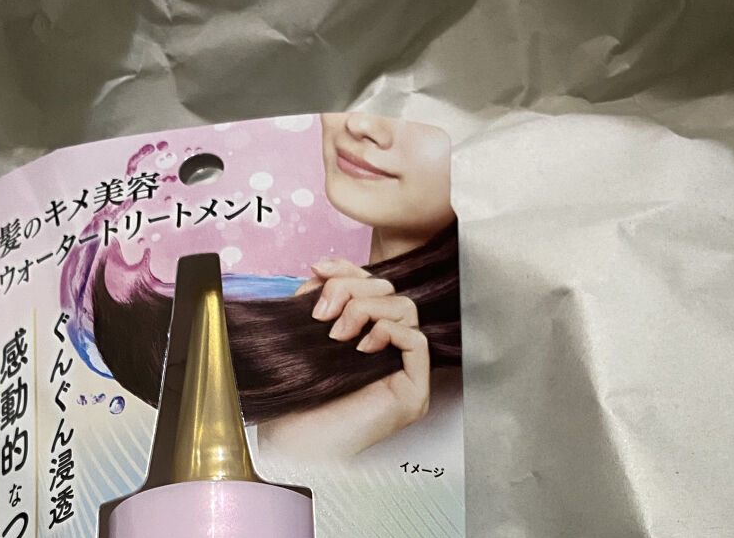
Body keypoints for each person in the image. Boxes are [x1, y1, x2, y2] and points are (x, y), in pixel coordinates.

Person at [90, 112, 461, 464]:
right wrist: (294, 449)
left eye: (428, 111)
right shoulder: (315, 330)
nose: (361, 123)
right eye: (356, 90)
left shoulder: (471, 418)